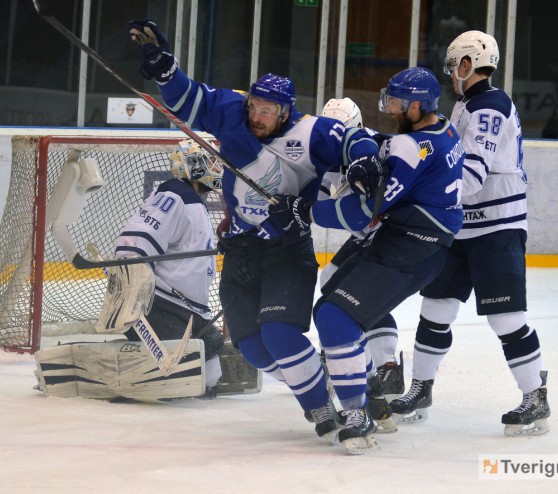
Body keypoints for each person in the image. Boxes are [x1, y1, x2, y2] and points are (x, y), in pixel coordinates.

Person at [127, 20, 382, 444]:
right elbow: (192, 99)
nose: (257, 116)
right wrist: (166, 72)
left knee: (280, 335)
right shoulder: (232, 111)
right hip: (241, 250)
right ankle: (324, 379)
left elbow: (358, 139)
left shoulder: (312, 131)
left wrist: (362, 161)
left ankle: (339, 409)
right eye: (254, 106)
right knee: (253, 349)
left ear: (285, 111)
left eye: (267, 110)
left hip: (286, 249)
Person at [269, 67, 464, 453]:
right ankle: (375, 389)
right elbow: (391, 145)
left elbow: (363, 213)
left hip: (410, 246)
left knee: (333, 316)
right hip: (414, 242)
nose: (389, 108)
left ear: (416, 104)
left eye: (395, 102)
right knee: (332, 298)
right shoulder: (443, 130)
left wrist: (304, 211)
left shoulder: (410, 147)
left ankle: (359, 412)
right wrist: (371, 152)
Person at [390, 30, 551, 437]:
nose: (450, 75)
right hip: (461, 227)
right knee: (436, 308)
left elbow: (473, 177)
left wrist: (417, 191)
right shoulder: (465, 106)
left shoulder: (490, 108)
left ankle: (535, 395)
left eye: (452, 66)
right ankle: (421, 388)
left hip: (497, 228)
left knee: (506, 317)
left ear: (467, 65)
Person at [109, 139, 226, 396]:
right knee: (195, 378)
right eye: (212, 161)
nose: (218, 168)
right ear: (194, 165)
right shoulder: (174, 194)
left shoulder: (191, 200)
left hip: (187, 310)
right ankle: (123, 366)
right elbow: (134, 242)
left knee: (212, 377)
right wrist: (131, 289)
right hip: (162, 307)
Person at [319, 97, 404, 402]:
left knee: (362, 296)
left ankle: (387, 366)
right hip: (365, 233)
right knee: (329, 277)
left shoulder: (376, 148)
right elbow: (316, 191)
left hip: (388, 232)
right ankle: (341, 348)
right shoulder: (328, 152)